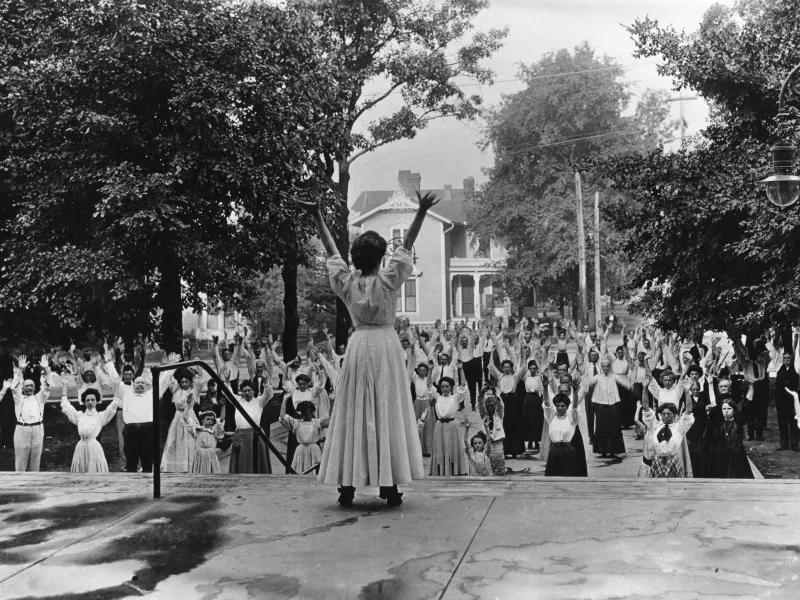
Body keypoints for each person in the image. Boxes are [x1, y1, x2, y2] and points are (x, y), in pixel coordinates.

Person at [300, 192, 435, 508]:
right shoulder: (388, 280)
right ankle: (388, 486)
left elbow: (332, 251)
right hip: (385, 346)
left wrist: (317, 215)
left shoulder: (346, 282)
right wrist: (422, 212)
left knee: (354, 410)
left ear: (357, 257)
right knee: (386, 411)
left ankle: (347, 485)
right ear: (380, 258)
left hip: (359, 347)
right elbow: (407, 247)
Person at [641, 374, 695, 478]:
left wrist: (687, 391)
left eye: (669, 414)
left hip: (673, 463)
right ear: (660, 415)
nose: (666, 416)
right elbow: (645, 407)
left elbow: (688, 410)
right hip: (657, 462)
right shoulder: (655, 425)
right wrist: (644, 388)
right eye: (663, 414)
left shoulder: (679, 427)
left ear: (674, 415)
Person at [59, 388, 121, 473]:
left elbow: (113, 405)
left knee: (94, 469)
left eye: (93, 400)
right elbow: (65, 405)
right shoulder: (79, 416)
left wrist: (117, 385)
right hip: (80, 447)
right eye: (87, 400)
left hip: (94, 448)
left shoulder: (100, 416)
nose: (90, 402)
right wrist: (65, 385)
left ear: (97, 401)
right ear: (84, 402)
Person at [8, 355, 52, 471]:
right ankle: (20, 485)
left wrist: (47, 370)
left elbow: (47, 387)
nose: (29, 388)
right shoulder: (19, 399)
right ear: (23, 388)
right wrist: (20, 370)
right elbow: (14, 386)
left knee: (35, 460)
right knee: (21, 462)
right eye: (26, 386)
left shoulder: (40, 398)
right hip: (22, 430)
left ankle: (33, 486)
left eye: (31, 385)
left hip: (38, 429)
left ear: (34, 387)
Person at [581, 357, 629, 458]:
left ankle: (613, 450)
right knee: (601, 428)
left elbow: (625, 384)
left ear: (609, 367)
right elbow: (587, 384)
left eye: (607, 366)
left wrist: (632, 388)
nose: (606, 368)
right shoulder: (597, 377)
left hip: (613, 404)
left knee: (613, 428)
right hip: (601, 405)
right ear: (601, 367)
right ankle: (602, 450)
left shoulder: (614, 376)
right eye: (604, 366)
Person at [426, 374, 468, 476]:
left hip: (452, 425)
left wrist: (461, 369)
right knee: (439, 448)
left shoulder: (455, 398)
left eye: (447, 386)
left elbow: (462, 385)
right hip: (439, 425)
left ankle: (454, 470)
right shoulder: (437, 397)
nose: (445, 389)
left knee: (452, 447)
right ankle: (440, 470)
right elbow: (429, 385)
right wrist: (430, 370)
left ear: (451, 387)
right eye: (443, 386)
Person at [160, 365, 199, 473]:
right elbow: (171, 379)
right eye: (182, 382)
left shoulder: (192, 391)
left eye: (186, 382)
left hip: (188, 415)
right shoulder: (177, 390)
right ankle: (175, 466)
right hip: (177, 417)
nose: (184, 384)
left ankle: (188, 465)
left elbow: (187, 407)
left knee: (188, 440)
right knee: (174, 440)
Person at [230, 378, 274, 474]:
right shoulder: (238, 401)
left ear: (253, 391)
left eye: (249, 390)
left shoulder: (259, 401)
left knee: (256, 462)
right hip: (240, 435)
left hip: (255, 435)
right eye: (244, 391)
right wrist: (226, 381)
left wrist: (266, 382)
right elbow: (228, 394)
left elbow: (269, 394)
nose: (247, 393)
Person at [279, 396, 330, 475]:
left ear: (312, 412)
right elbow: (282, 417)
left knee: (316, 471)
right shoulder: (296, 423)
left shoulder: (317, 423)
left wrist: (332, 401)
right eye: (303, 413)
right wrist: (284, 399)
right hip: (300, 452)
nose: (305, 415)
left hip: (314, 452)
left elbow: (330, 418)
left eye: (307, 413)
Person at [705, 398, 754, 478]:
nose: (726, 411)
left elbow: (747, 403)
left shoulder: (738, 421)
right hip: (722, 455)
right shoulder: (719, 422)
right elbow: (713, 406)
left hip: (736, 455)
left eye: (729, 408)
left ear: (734, 410)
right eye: (724, 409)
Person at [543, 392, 582, 476]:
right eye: (557, 406)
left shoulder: (572, 419)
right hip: (554, 451)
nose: (560, 408)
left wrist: (575, 391)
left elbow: (575, 406)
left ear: (567, 407)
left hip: (568, 452)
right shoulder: (551, 418)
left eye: (562, 406)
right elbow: (546, 404)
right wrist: (545, 387)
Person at [477, 387, 506, 476]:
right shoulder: (484, 416)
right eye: (488, 406)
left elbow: (501, 404)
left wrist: (495, 393)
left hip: (498, 445)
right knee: (487, 468)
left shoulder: (499, 415)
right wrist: (482, 393)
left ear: (495, 406)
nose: (490, 408)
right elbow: (480, 404)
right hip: (487, 444)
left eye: (492, 406)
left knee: (500, 468)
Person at [774, 352, 800, 451]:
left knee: (793, 423)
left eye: (788, 359)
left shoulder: (795, 371)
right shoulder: (780, 370)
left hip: (792, 401)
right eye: (784, 359)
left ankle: (794, 444)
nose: (786, 360)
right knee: (782, 423)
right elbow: (777, 387)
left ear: (792, 359)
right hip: (781, 401)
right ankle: (784, 444)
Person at [521, 360, 545, 452]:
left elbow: (540, 388)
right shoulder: (527, 378)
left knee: (536, 420)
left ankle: (536, 441)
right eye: (531, 368)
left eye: (534, 368)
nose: (532, 370)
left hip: (536, 400)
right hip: (528, 399)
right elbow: (527, 388)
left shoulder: (539, 378)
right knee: (528, 420)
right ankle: (529, 440)